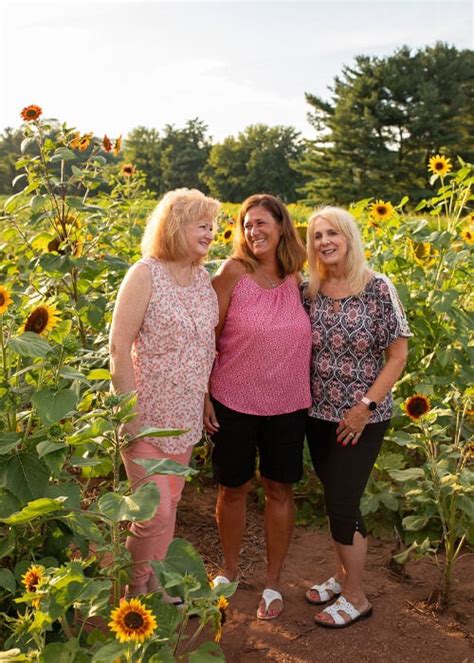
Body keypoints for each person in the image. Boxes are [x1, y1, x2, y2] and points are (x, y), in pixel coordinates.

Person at [203, 193, 312, 620]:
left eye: (262, 222)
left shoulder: (297, 276)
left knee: (279, 490)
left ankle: (272, 582)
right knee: (232, 489)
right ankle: (228, 571)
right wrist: (204, 394)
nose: (254, 231)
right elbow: (205, 333)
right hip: (233, 400)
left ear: (282, 225)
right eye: (247, 225)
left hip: (288, 403)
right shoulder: (232, 271)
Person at [302, 206, 411, 628]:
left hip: (362, 416)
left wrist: (364, 406)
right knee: (334, 498)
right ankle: (344, 574)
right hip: (318, 413)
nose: (324, 241)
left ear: (349, 237)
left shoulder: (378, 287)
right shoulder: (310, 289)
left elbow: (397, 355)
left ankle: (356, 596)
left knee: (344, 501)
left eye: (333, 233)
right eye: (316, 236)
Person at [109, 188, 220, 598]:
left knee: (170, 506)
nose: (211, 233)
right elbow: (119, 346)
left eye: (213, 226)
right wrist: (128, 414)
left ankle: (155, 582)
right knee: (151, 515)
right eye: (202, 225)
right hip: (147, 417)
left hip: (186, 414)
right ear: (176, 226)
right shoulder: (145, 273)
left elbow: (204, 345)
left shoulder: (201, 278)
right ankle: (132, 594)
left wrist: (206, 396)